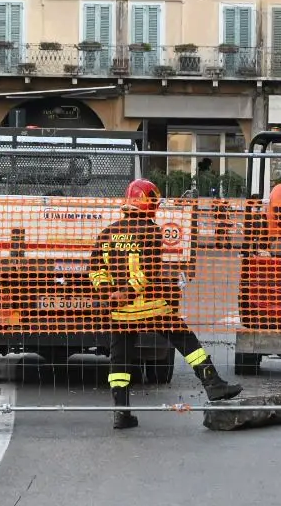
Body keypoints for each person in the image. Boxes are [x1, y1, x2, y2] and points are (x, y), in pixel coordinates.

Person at [90, 178, 242, 429]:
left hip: (120, 312)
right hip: (151, 307)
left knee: (119, 361)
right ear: (145, 202)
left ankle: (121, 413)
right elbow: (149, 271)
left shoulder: (108, 232)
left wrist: (109, 293)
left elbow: (96, 269)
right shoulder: (150, 230)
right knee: (187, 341)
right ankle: (213, 385)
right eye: (153, 201)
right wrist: (128, 291)